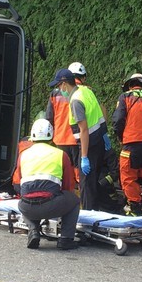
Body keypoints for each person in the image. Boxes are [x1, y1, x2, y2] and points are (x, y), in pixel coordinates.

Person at [49, 68, 111, 211]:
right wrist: (105, 136)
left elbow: (83, 130)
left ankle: (88, 216)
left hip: (89, 145)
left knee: (86, 183)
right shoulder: (86, 91)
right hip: (99, 141)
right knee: (92, 181)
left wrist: (84, 157)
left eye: (59, 86)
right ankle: (95, 211)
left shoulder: (75, 100)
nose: (60, 89)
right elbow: (99, 116)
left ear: (65, 84)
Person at [13, 119, 80, 250]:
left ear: (32, 136)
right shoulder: (61, 154)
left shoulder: (23, 155)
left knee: (24, 200)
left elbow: (18, 183)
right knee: (74, 200)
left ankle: (33, 230)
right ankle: (66, 239)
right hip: (51, 206)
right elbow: (68, 187)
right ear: (51, 136)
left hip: (27, 207)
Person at [112, 73, 142, 216]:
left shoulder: (125, 97)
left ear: (130, 85)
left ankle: (134, 208)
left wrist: (120, 137)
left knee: (128, 176)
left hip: (131, 143)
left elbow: (118, 120)